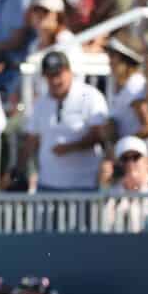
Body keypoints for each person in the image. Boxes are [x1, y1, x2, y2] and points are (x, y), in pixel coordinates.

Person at [20, 50, 109, 192]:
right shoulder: (40, 103)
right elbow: (31, 140)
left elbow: (100, 135)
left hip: (83, 185)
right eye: (50, 76)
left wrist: (69, 148)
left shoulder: (90, 95)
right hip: (46, 184)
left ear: (69, 71)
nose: (55, 81)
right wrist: (18, 171)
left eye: (58, 74)